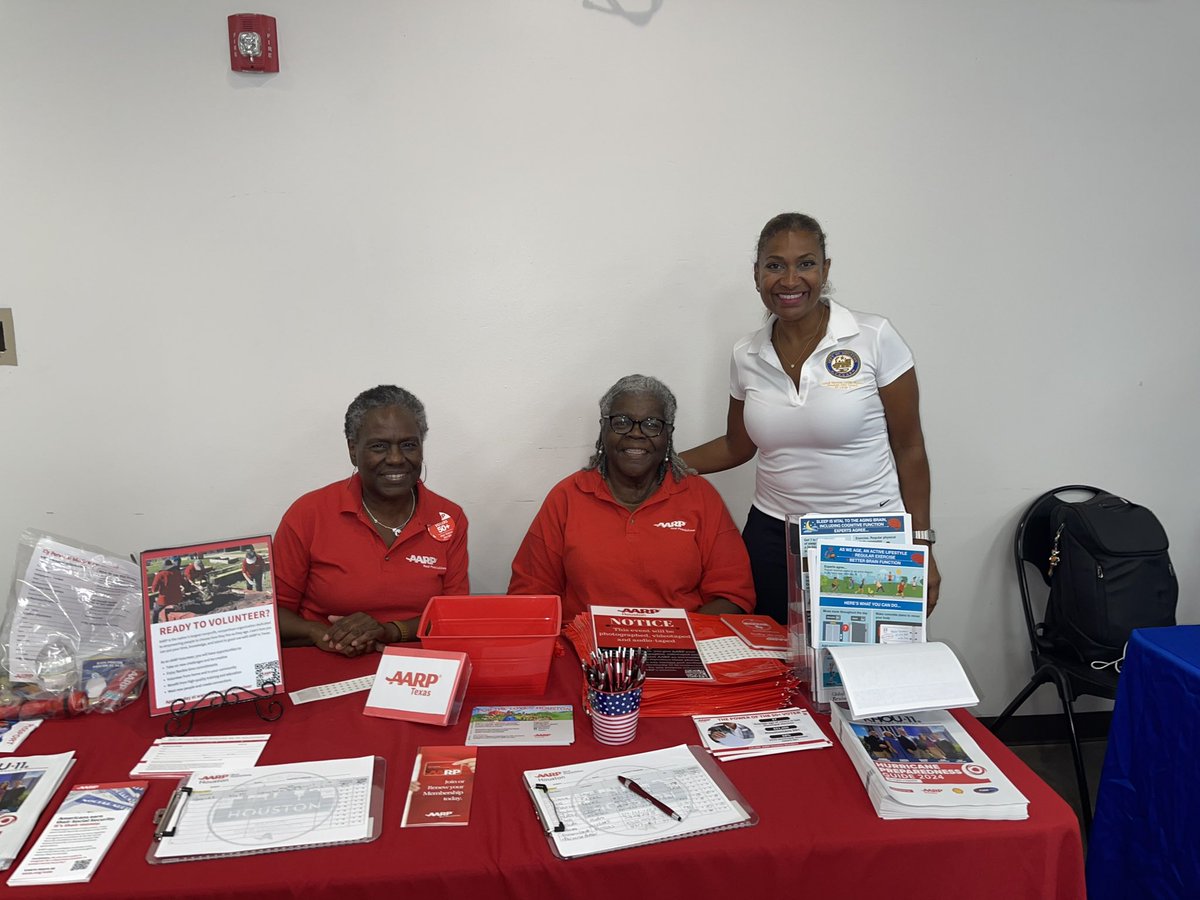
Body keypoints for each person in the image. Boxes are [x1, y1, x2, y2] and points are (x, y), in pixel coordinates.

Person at [682, 213, 939, 624]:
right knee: (774, 654)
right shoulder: (746, 354)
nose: (790, 280)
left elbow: (909, 447)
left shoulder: (873, 337)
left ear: (825, 269)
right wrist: (665, 464)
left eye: (805, 264)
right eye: (775, 265)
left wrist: (922, 542)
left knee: (860, 657)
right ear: (756, 274)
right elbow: (737, 445)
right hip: (773, 536)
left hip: (867, 536)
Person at [509, 374, 755, 620]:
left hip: (683, 641)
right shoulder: (566, 498)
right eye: (622, 422)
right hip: (584, 642)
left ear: (668, 434)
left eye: (652, 424)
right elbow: (530, 593)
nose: (636, 433)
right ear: (604, 429)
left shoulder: (701, 497)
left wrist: (677, 637)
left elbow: (732, 594)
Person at [273, 385, 469, 657]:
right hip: (328, 659)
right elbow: (272, 613)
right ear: (353, 450)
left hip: (418, 665)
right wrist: (319, 632)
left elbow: (454, 614)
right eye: (379, 446)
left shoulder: (448, 517)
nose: (396, 459)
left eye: (409, 445)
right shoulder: (308, 514)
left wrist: (389, 631)